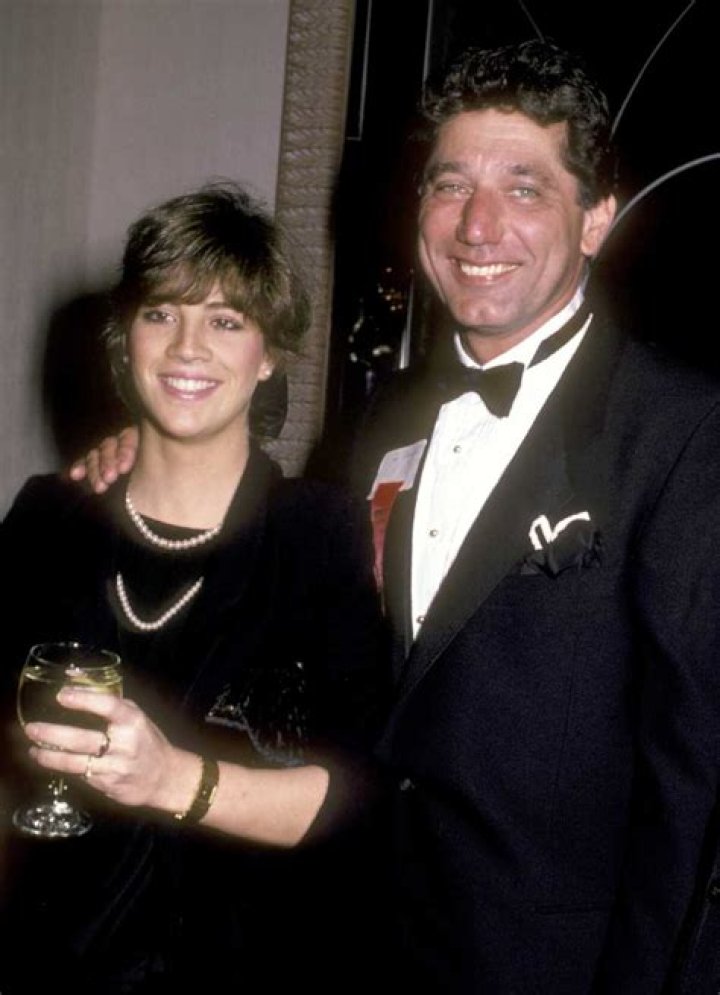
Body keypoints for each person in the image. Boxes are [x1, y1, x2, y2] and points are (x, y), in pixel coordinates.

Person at [70, 41, 720, 993]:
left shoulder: (682, 429)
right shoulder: (381, 420)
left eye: (524, 188)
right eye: (450, 184)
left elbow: (696, 786)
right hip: (356, 944)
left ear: (596, 220)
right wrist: (149, 443)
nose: (478, 224)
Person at [0, 182, 390, 994]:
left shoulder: (318, 534)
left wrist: (173, 779)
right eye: (161, 313)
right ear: (125, 339)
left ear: (269, 353)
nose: (187, 347)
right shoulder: (47, 518)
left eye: (226, 320)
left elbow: (357, 794)